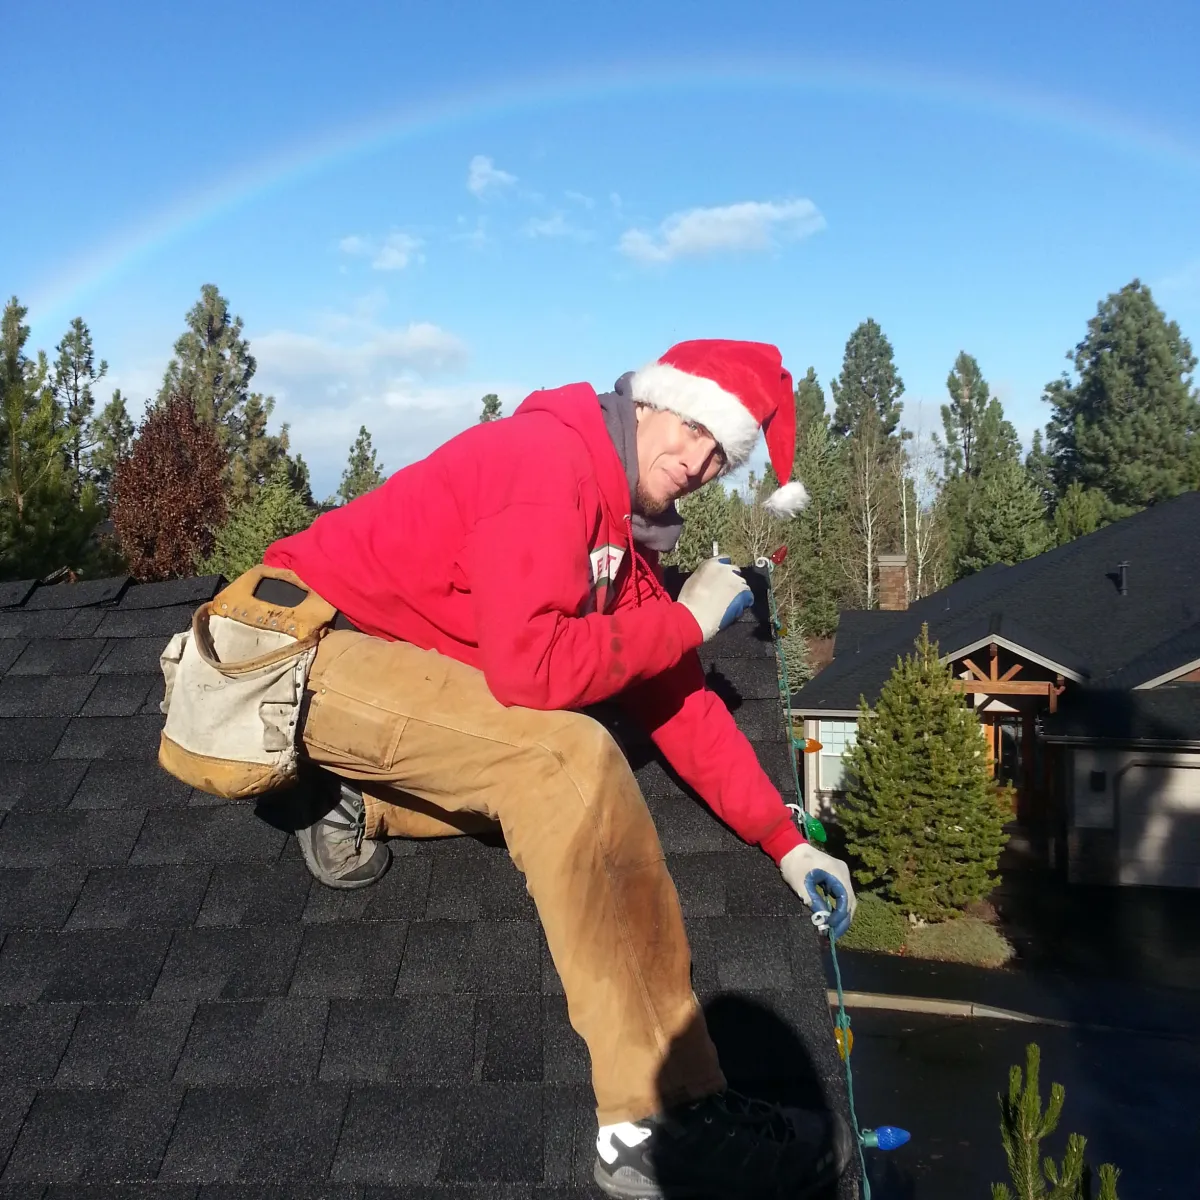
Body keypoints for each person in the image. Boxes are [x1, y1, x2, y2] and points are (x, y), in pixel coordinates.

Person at [260, 339, 858, 1198]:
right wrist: (688, 623)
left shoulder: (623, 529)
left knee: (551, 762)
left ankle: (356, 798)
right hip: (299, 650)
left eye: (718, 455)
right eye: (690, 429)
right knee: (568, 755)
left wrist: (783, 839)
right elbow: (530, 669)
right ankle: (655, 1121)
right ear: (649, 401)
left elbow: (674, 694)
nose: (695, 462)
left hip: (393, 686)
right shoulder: (549, 458)